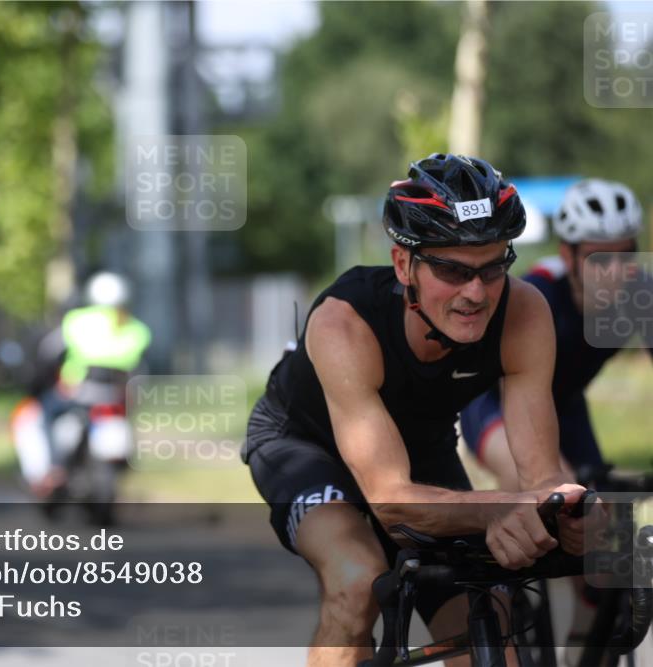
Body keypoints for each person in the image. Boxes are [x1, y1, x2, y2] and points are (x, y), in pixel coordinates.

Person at [241, 153, 589, 667]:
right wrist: (501, 509)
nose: (476, 292)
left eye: (493, 268)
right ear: (404, 264)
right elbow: (391, 501)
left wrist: (563, 513)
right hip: (304, 445)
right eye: (452, 270)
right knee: (358, 579)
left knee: (487, 606)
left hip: (416, 450)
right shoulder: (345, 323)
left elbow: (539, 478)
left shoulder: (523, 311)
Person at [460, 178, 649, 492]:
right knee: (544, 491)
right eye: (599, 256)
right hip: (495, 401)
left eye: (626, 254)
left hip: (565, 403)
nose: (615, 269)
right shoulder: (537, 297)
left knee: (598, 511)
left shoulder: (643, 293)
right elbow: (518, 402)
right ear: (567, 255)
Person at [14, 272, 151, 498]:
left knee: (33, 419)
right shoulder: (137, 329)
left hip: (76, 395)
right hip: (116, 397)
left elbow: (47, 355)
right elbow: (143, 367)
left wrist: (36, 385)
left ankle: (47, 473)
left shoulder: (76, 322)